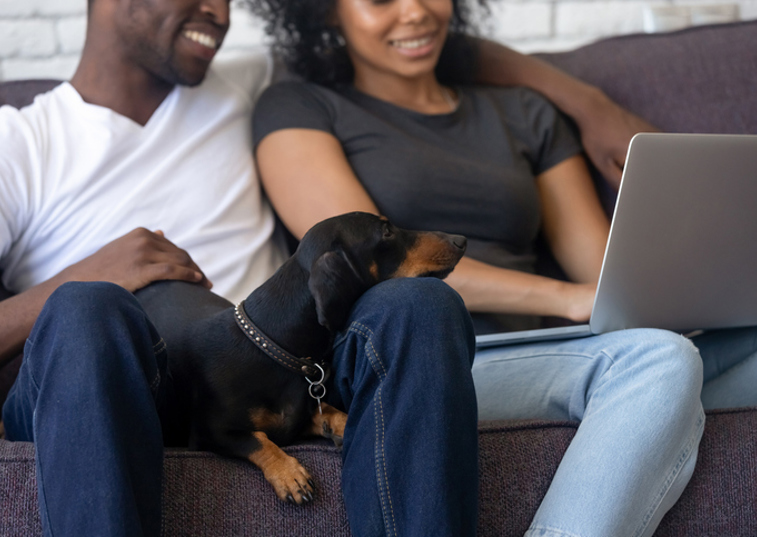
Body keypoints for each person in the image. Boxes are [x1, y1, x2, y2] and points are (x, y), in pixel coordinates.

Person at [0, 1, 685, 537]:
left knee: (417, 303)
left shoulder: (244, 86)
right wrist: (87, 275)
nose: (220, 10)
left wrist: (589, 103)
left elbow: (431, 37)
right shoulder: (20, 144)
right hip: (106, 372)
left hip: (263, 367)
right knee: (88, 307)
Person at [247, 0, 757, 535]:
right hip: (417, 360)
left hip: (543, 355)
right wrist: (568, 297)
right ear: (327, 13)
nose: (415, 12)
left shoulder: (522, 112)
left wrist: (690, 281)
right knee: (659, 362)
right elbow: (368, 265)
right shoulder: (298, 107)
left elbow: (604, 268)